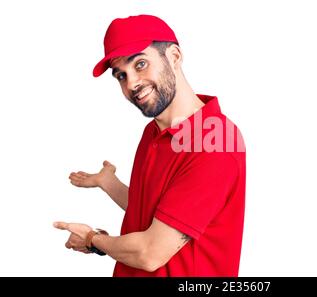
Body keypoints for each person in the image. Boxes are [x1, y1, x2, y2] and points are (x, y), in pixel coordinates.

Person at [54, 14, 246, 277]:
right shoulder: (154, 131)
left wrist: (92, 239)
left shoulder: (215, 142)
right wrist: (108, 183)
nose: (131, 83)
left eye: (140, 64)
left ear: (174, 56)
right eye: (121, 75)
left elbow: (150, 253)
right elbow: (154, 209)